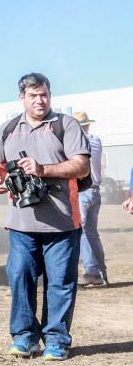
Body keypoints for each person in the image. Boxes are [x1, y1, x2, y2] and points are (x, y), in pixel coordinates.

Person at [0, 73, 90, 361]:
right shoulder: (8, 129)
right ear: (22, 98)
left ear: (49, 95)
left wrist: (42, 169)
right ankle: (24, 338)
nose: (39, 100)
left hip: (62, 223)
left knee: (59, 283)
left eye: (44, 94)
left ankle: (56, 340)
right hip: (21, 224)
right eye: (33, 96)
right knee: (20, 277)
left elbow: (81, 166)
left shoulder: (65, 125)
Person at [73, 111, 107, 286]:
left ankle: (92, 271)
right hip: (95, 191)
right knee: (92, 234)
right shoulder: (96, 140)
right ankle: (101, 272)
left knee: (83, 232)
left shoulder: (79, 142)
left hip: (84, 191)